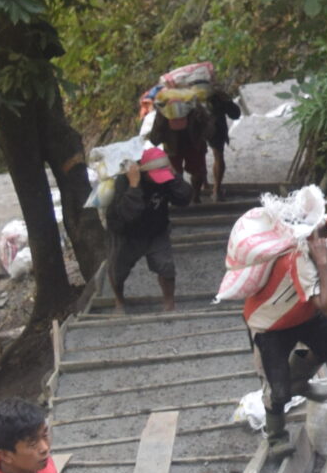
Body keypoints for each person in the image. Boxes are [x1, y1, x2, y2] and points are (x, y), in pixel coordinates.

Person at [243, 202, 327, 451]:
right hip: (270, 323)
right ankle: (276, 437)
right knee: (277, 387)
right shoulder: (300, 256)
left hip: (304, 314)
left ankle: (299, 381)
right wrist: (323, 262)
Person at [104, 146, 191, 313]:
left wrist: (174, 176)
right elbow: (126, 214)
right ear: (143, 172)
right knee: (117, 270)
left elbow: (185, 198)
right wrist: (134, 185)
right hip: (125, 232)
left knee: (166, 266)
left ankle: (169, 304)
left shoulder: (167, 179)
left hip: (156, 229)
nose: (160, 180)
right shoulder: (124, 182)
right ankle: (119, 301)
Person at [204, 82, 247, 203]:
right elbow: (235, 114)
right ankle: (216, 190)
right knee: (218, 156)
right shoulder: (218, 95)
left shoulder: (190, 95)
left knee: (198, 155)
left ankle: (203, 185)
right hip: (216, 127)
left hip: (197, 127)